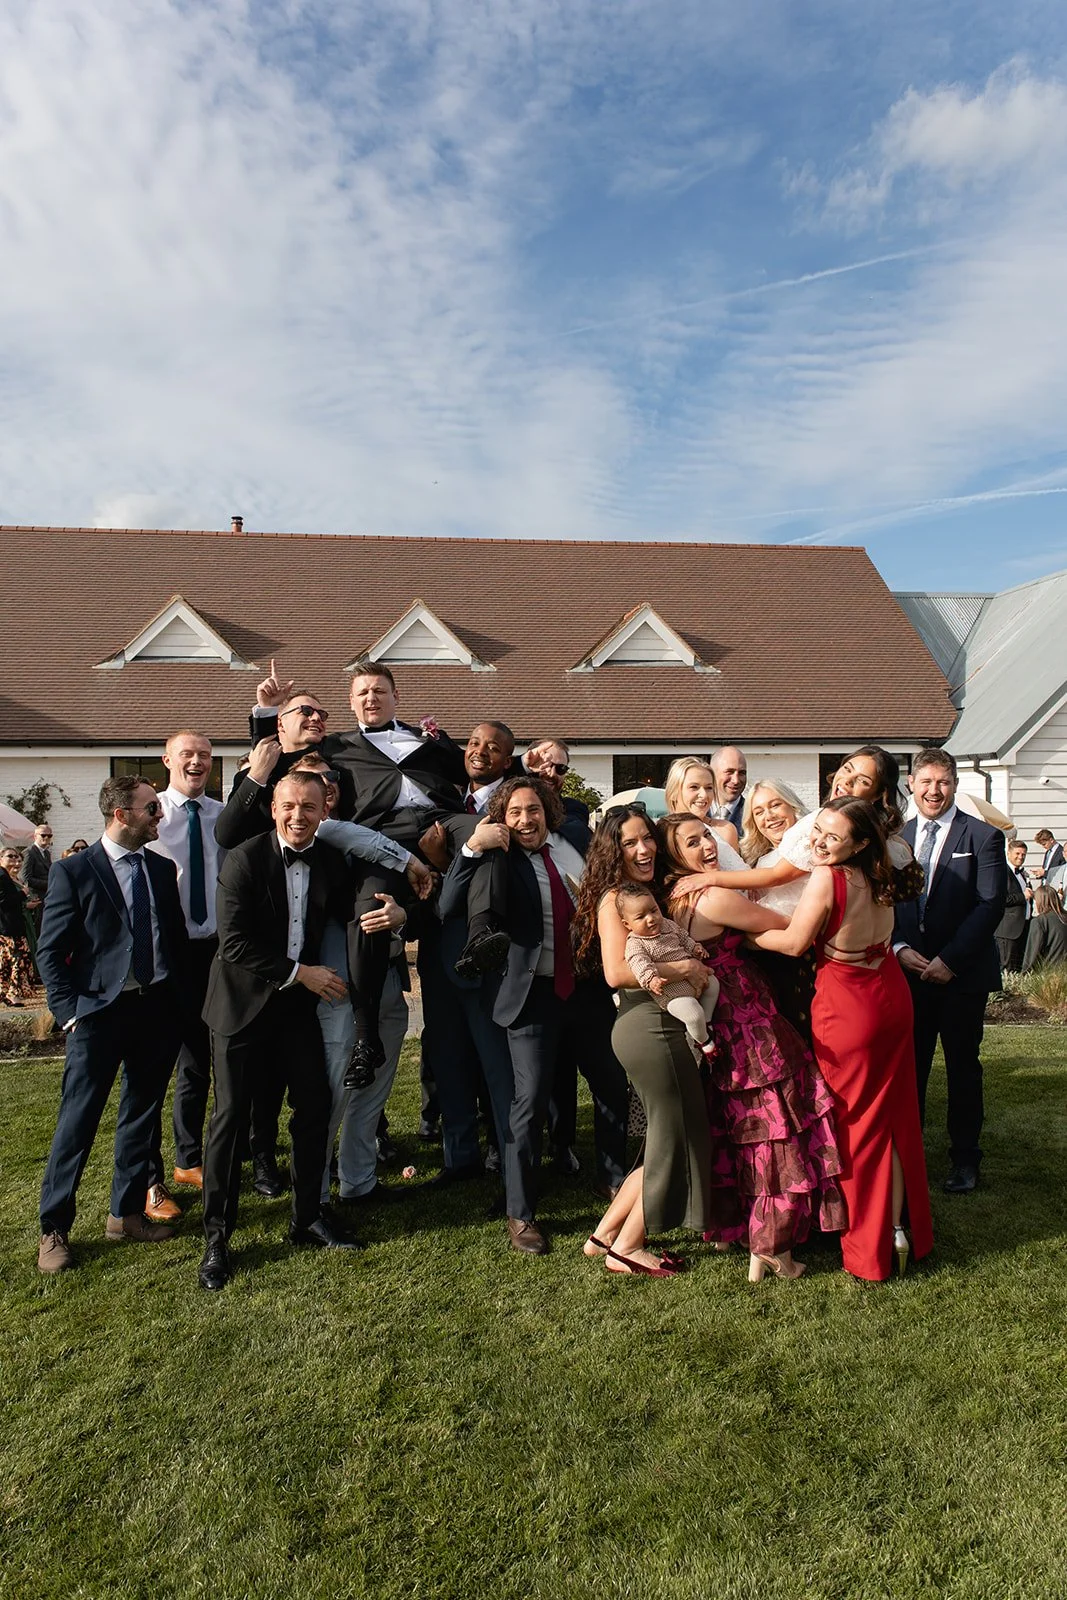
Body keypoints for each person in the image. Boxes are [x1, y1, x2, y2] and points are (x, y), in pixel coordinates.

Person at [439, 776, 629, 1255]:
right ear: (502, 819)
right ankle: (521, 1212)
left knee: (610, 1085)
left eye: (533, 810)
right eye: (515, 813)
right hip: (531, 996)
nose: (526, 820)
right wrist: (470, 850)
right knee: (529, 1104)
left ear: (548, 810)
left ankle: (614, 1182)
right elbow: (445, 905)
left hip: (587, 988)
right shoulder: (496, 859)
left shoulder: (577, 845)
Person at [755, 798, 933, 1282]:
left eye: (832, 838)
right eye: (819, 831)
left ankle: (869, 1246)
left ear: (858, 842)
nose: (818, 843)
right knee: (894, 1118)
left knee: (857, 1127)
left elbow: (793, 943)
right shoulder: (883, 873)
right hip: (892, 994)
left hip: (849, 1006)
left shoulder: (829, 878)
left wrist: (746, 934)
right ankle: (897, 1228)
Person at [662, 813, 845, 1283]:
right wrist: (747, 933)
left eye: (705, 835)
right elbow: (786, 923)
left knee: (737, 1128)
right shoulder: (715, 895)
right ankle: (773, 1247)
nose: (705, 846)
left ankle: (740, 1232)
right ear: (675, 855)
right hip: (747, 1017)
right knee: (771, 1127)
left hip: (718, 1018)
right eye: (690, 842)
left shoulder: (673, 899)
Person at [198, 771, 360, 1291]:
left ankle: (307, 1216)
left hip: (294, 1014)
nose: (298, 816)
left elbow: (357, 908)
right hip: (240, 1007)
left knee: (314, 1107)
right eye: (289, 806)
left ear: (323, 810)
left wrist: (397, 909)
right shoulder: (244, 858)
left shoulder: (331, 860)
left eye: (309, 807)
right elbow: (235, 943)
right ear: (272, 808)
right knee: (229, 1121)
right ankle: (217, 1238)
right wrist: (302, 974)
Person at [34, 778, 189, 1274]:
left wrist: (179, 1005)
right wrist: (71, 1012)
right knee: (77, 1124)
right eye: (151, 810)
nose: (158, 817)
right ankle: (53, 1228)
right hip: (98, 1016)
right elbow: (50, 953)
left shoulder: (163, 870)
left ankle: (125, 1215)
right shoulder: (74, 872)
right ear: (122, 814)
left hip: (156, 1011)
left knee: (140, 1119)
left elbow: (175, 942)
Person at [571, 804, 713, 1277]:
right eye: (630, 842)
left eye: (647, 838)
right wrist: (686, 968)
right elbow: (616, 972)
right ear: (614, 851)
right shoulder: (616, 898)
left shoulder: (640, 893)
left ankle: (604, 1236)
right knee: (675, 1138)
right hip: (649, 1026)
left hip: (656, 1024)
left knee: (659, 1138)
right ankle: (629, 1248)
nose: (644, 848)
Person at [894, 748, 1007, 1196]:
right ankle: (911, 1155)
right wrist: (899, 948)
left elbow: (989, 904)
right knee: (911, 1068)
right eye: (925, 781)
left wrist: (950, 961)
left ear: (955, 785)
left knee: (963, 1068)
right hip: (908, 974)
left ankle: (965, 1159)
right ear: (911, 785)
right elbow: (887, 904)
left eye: (941, 781)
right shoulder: (896, 838)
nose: (933, 790)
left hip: (961, 977)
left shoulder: (982, 836)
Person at [144, 729, 225, 1213]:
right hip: (163, 953)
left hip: (213, 951)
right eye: (188, 754)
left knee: (200, 1059)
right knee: (153, 1066)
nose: (197, 762)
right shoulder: (148, 812)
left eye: (205, 756)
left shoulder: (220, 815)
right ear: (167, 759)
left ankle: (188, 1157)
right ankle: (150, 1178)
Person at [616, 885, 719, 1054]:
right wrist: (651, 979)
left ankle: (706, 1022)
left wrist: (695, 948)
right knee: (693, 1014)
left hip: (692, 979)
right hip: (672, 993)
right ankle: (704, 1042)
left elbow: (684, 937)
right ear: (627, 924)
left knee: (713, 984)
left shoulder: (668, 925)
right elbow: (639, 964)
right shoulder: (635, 943)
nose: (651, 919)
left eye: (653, 910)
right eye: (641, 917)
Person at [663, 758, 739, 851]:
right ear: (673, 792)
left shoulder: (726, 830)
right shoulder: (660, 834)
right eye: (694, 787)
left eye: (709, 788)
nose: (704, 795)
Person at [0, 846, 36, 1005]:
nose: (14, 859)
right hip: (8, 927)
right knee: (16, 961)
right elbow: (4, 902)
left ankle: (6, 992)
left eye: (16, 857)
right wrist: (23, 894)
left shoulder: (6, 876)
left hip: (11, 925)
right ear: (1, 858)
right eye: (10, 856)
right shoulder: (1, 876)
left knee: (9, 962)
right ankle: (12, 994)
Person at [995, 841, 1032, 976]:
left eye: (1023, 854)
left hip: (1023, 927)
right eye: (1017, 853)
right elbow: (1000, 899)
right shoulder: (1002, 872)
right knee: (1006, 967)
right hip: (1008, 930)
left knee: (1016, 967)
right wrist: (1023, 896)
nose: (1020, 857)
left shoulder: (1022, 873)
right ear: (1008, 853)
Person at [1021, 885, 1067, 973]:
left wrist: (1025, 974)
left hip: (1050, 974)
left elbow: (1032, 953)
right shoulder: (1064, 917)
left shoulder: (1040, 921)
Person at [18, 822, 53, 937]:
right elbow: (26, 878)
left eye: (49, 836)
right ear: (35, 836)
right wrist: (49, 884)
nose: (46, 838)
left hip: (46, 897)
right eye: (43, 835)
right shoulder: (29, 852)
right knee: (38, 932)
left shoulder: (46, 853)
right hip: (35, 898)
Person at [709, 746, 748, 834]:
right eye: (729, 772)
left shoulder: (752, 817)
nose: (736, 780)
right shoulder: (695, 813)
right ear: (712, 773)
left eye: (742, 773)